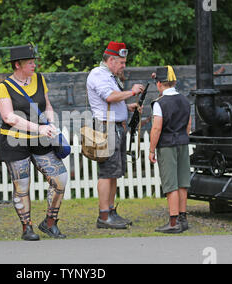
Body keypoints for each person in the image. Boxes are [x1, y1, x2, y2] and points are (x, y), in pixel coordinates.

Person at [0, 44, 68, 241]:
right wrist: (39, 128)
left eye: (34, 61)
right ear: (17, 65)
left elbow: (47, 106)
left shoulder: (39, 79)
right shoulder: (4, 87)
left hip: (41, 139)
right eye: (30, 62)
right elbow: (9, 117)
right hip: (15, 141)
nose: (34, 65)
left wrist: (51, 123)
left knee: (60, 178)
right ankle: (26, 228)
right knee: (22, 186)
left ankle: (49, 222)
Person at [86, 41, 145, 229]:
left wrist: (127, 106)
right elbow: (109, 97)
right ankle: (104, 215)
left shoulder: (109, 75)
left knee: (114, 173)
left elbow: (111, 101)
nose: (123, 66)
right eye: (121, 62)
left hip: (114, 127)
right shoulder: (98, 74)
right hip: (107, 128)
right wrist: (132, 92)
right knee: (106, 173)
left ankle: (110, 211)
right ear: (111, 60)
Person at [149, 66, 192, 234]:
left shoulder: (160, 103)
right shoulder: (185, 100)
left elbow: (156, 128)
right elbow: (188, 124)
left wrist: (152, 149)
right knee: (182, 182)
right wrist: (183, 137)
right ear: (174, 82)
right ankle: (183, 219)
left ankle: (173, 222)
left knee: (170, 184)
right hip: (182, 142)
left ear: (159, 83)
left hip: (167, 145)